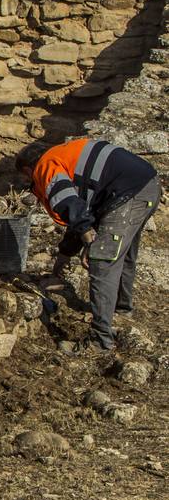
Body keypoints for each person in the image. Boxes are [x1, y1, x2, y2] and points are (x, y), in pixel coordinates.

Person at [18, 138, 160, 350]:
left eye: (27, 178)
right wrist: (64, 256)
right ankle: (121, 311)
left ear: (29, 169)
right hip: (147, 185)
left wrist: (88, 238)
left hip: (127, 193)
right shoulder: (66, 156)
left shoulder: (46, 164)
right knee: (123, 254)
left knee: (102, 259)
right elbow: (82, 211)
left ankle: (101, 341)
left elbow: (67, 202)